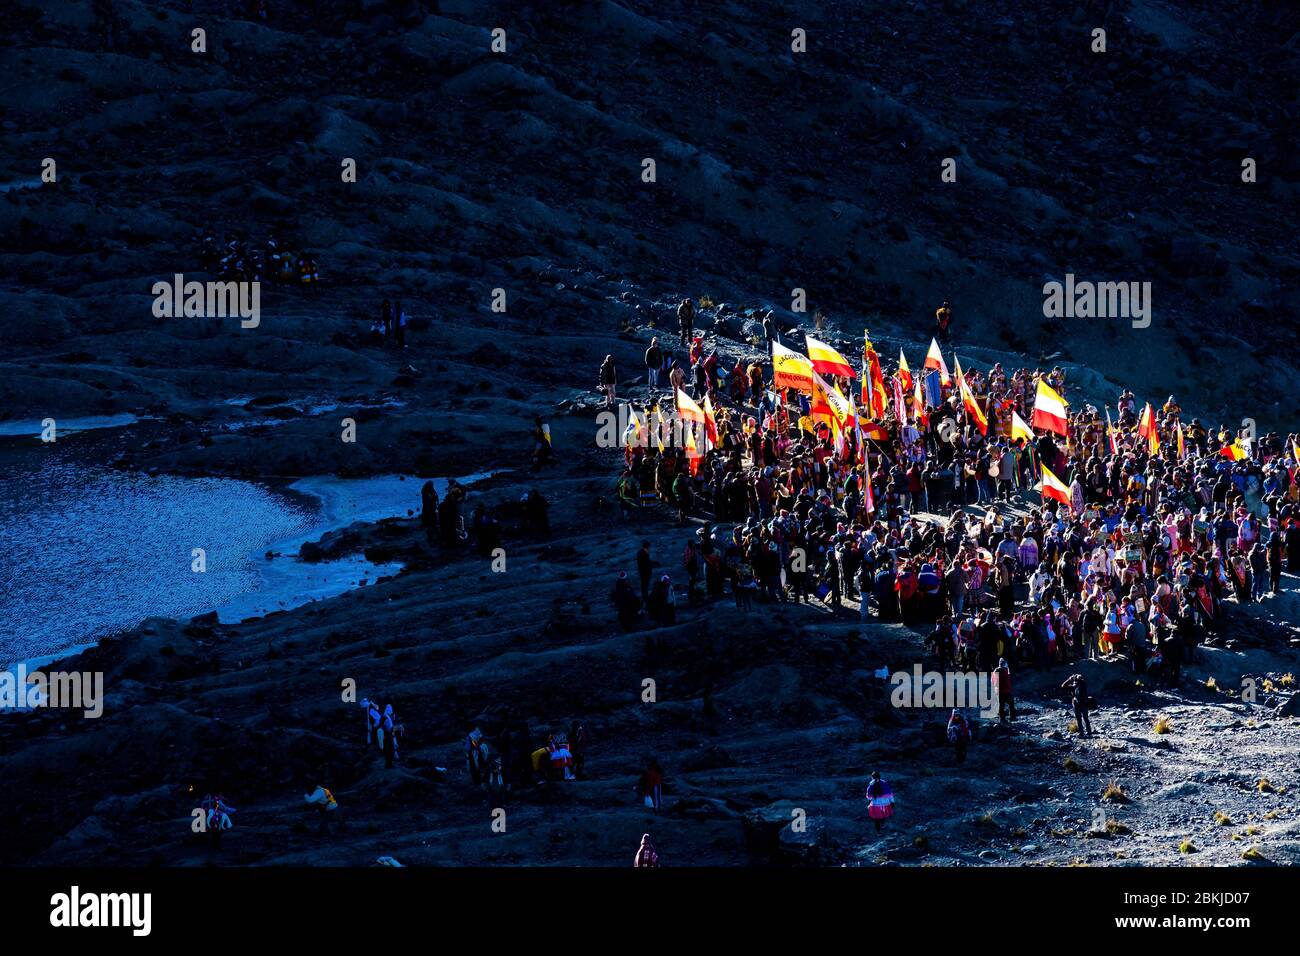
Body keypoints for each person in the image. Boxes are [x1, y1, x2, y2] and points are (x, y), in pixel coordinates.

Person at [1061, 673, 1093, 737]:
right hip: (1084, 704)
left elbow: (1063, 686)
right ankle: (1089, 733)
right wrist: (1076, 678)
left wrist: (1069, 679)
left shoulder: (1073, 686)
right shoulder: (1083, 685)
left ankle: (1082, 733)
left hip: (1076, 705)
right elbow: (1082, 682)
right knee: (1086, 718)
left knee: (1079, 719)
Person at [420, 481, 440, 546]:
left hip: (430, 505)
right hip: (428, 506)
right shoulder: (425, 491)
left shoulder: (429, 489)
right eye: (431, 485)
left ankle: (430, 526)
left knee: (430, 516)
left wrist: (436, 502)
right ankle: (429, 525)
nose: (432, 486)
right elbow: (427, 499)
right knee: (428, 516)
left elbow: (435, 496)